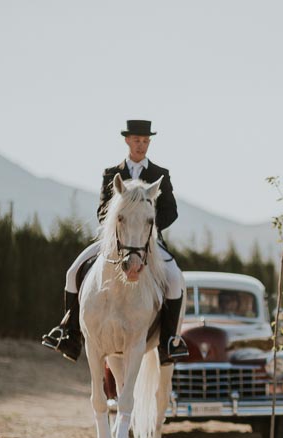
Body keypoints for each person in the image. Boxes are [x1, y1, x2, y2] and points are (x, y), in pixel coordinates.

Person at [41, 119, 190, 365]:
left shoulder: (160, 174)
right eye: (137, 141)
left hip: (148, 242)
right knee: (72, 273)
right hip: (116, 240)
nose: (141, 145)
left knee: (174, 280)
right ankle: (69, 333)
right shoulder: (112, 173)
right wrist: (121, 226)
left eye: (145, 141)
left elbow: (171, 211)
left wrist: (145, 227)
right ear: (127, 141)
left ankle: (169, 342)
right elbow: (102, 210)